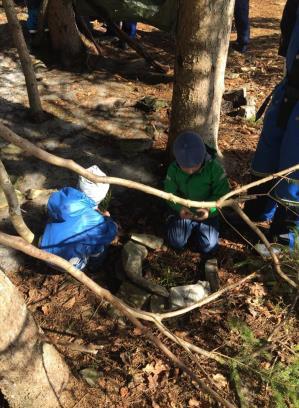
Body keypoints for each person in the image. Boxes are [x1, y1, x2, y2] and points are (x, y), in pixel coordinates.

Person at [244, 1, 299, 248]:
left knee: (294, 167)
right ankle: (254, 215)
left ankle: (284, 234)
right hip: (290, 86)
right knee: (268, 150)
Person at [164, 131, 230, 260]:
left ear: (203, 157)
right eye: (185, 167)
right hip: (184, 211)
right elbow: (169, 193)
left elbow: (221, 195)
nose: (190, 171)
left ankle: (204, 229)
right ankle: (174, 221)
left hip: (207, 212)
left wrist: (209, 211)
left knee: (209, 246)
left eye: (194, 166)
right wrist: (180, 208)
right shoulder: (173, 169)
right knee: (176, 242)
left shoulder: (215, 169)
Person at [39, 165, 118, 271]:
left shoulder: (62, 198)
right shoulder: (95, 220)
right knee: (100, 245)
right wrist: (108, 220)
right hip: (65, 263)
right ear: (100, 196)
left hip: (42, 251)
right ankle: (94, 268)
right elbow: (111, 233)